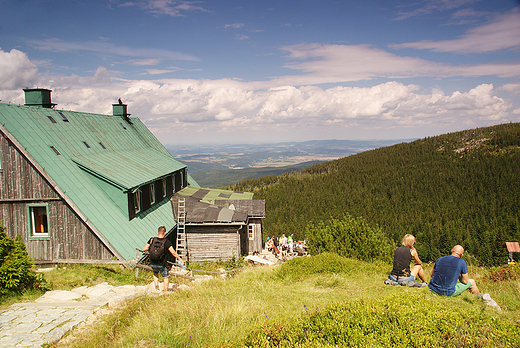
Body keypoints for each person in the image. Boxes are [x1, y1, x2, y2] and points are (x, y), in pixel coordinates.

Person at [143, 226, 182, 291]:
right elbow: (173, 252)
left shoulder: (152, 239)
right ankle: (165, 290)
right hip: (162, 263)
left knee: (155, 273)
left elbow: (145, 248)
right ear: (164, 233)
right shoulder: (166, 242)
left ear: (157, 232)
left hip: (153, 262)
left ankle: (156, 286)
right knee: (165, 277)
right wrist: (179, 258)